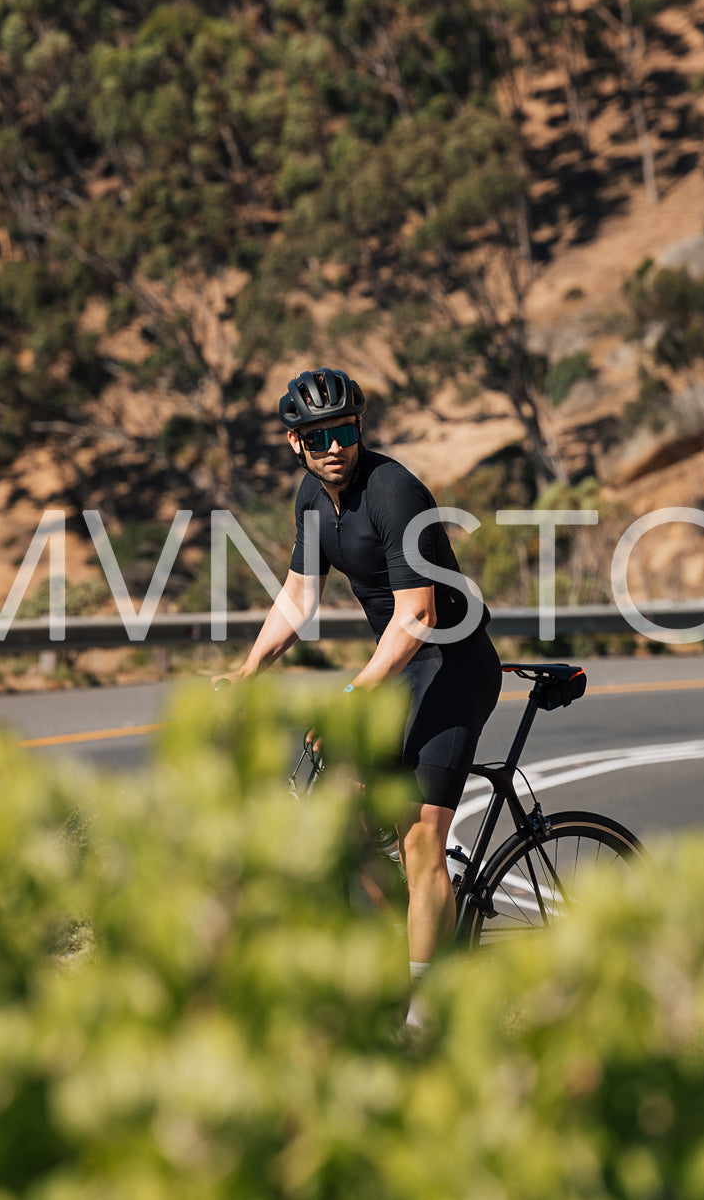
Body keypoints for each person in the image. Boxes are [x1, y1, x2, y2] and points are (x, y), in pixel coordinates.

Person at [213, 367, 502, 1027]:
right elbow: (298, 595)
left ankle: (426, 1015)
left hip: (452, 664)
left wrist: (355, 691)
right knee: (340, 823)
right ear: (296, 444)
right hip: (399, 666)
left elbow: (419, 617)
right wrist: (249, 667)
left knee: (421, 840)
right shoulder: (311, 501)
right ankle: (401, 938)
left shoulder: (394, 491)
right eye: (318, 437)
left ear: (359, 427)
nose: (334, 446)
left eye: (343, 430)